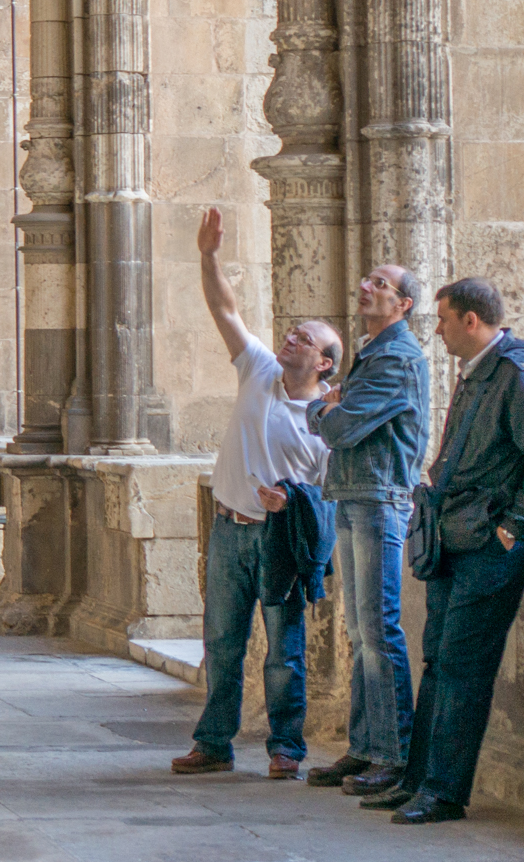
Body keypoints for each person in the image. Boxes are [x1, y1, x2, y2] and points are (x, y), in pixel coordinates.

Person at [359, 278, 524, 824]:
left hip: (489, 545)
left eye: (443, 319)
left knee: (462, 666)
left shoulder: (520, 372)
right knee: (437, 659)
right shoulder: (478, 371)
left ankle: (444, 792)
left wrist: (512, 529)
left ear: (472, 321)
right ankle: (419, 781)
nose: (436, 330)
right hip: (454, 538)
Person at [171, 208, 342, 780]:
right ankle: (214, 742)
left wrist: (290, 502)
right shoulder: (259, 370)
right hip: (228, 529)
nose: (291, 336)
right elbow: (225, 309)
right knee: (221, 642)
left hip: (278, 541)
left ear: (323, 363)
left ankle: (285, 747)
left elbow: (328, 498)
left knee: (283, 654)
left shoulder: (326, 423)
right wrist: (209, 255)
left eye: (306, 339)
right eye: (293, 331)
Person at [304, 264, 429, 795]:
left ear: (404, 304)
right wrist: (331, 408)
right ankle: (363, 748)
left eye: (382, 284)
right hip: (355, 496)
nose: (366, 286)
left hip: (380, 500)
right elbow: (342, 422)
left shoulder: (397, 358)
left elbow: (342, 425)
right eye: (368, 279)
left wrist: (319, 405)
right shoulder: (372, 353)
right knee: (360, 633)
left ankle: (394, 755)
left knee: (379, 630)